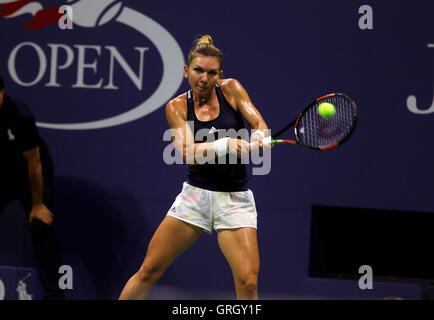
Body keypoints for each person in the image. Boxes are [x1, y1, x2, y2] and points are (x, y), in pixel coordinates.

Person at [119, 35, 270, 300]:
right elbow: (189, 152)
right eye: (198, 70)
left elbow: (258, 124)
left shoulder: (232, 89)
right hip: (194, 199)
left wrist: (259, 137)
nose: (204, 78)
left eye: (212, 73)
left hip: (234, 199)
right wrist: (225, 144)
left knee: (247, 282)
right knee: (149, 270)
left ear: (220, 74)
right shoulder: (176, 107)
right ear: (186, 71)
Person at [0, 73, 64, 300]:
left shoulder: (20, 115)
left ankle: (54, 295)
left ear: (1, 94)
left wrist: (38, 204)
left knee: (40, 224)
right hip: (2, 174)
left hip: (31, 172)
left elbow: (33, 163)